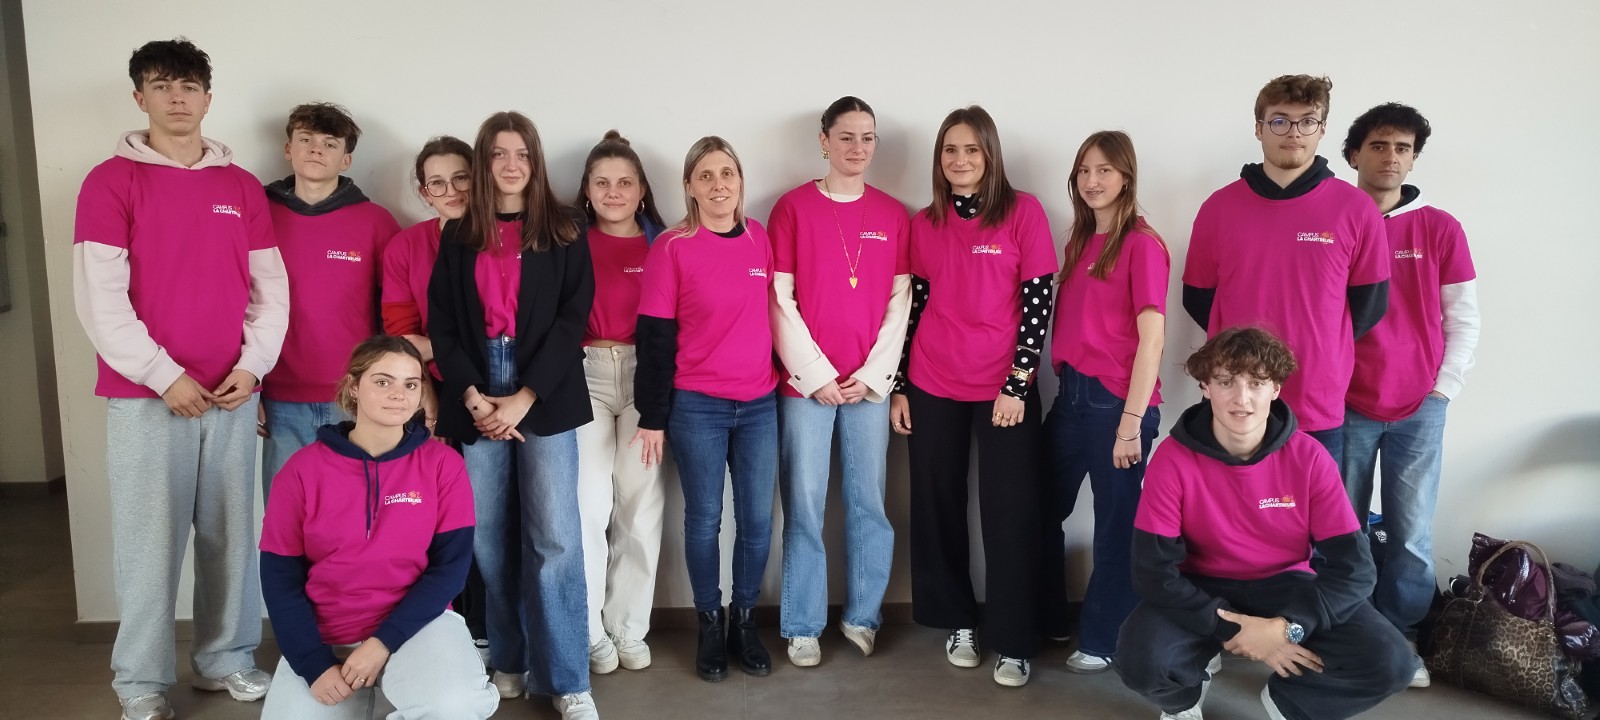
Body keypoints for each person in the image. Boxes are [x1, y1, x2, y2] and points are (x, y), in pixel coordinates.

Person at [73, 38, 288, 720]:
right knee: (149, 545)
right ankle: (140, 681)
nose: (177, 98)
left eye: (189, 86)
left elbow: (270, 291)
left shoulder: (240, 187)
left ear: (207, 98)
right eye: (162, 85)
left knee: (230, 537)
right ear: (140, 97)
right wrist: (164, 375)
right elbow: (101, 301)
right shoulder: (110, 182)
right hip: (146, 398)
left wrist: (252, 366)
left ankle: (227, 660)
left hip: (230, 394)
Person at [1115, 327, 1412, 720]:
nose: (1242, 399)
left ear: (1275, 389)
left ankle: (1290, 702)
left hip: (1287, 585)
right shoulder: (1171, 460)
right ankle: (1185, 696)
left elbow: (1355, 569)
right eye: (1226, 382)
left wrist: (1286, 628)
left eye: (1256, 383)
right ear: (1205, 387)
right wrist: (1231, 629)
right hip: (1200, 585)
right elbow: (1152, 572)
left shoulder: (1310, 458)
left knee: (1392, 663)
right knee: (1139, 659)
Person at [428, 111, 599, 720]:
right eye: (499, 153)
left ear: (535, 160)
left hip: (544, 392)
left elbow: (572, 320)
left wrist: (525, 397)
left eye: (521, 153)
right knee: (490, 540)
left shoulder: (565, 229)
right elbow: (443, 324)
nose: (510, 164)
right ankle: (509, 657)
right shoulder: (458, 234)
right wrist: (474, 398)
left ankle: (568, 678)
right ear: (484, 161)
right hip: (477, 390)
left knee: (556, 539)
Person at [890, 106, 1058, 687]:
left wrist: (1017, 383)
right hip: (933, 381)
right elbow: (914, 308)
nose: (960, 160)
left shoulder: (1023, 212)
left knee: (1011, 513)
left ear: (990, 154)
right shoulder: (925, 222)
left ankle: (1014, 640)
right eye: (950, 150)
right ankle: (958, 620)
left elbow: (1038, 302)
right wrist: (901, 386)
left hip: (1003, 390)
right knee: (936, 507)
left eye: (971, 150)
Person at [257, 336, 499, 719]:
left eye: (411, 384)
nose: (398, 394)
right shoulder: (301, 470)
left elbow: (450, 569)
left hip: (419, 626)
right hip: (327, 635)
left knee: (454, 706)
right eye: (383, 381)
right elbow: (279, 578)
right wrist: (312, 664)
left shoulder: (442, 464)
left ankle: (428, 688)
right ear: (354, 387)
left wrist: (382, 643)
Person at [768, 96, 911, 669]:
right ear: (824, 140)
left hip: (868, 388)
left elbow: (901, 303)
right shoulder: (792, 208)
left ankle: (863, 616)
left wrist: (872, 376)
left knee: (868, 503)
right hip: (806, 387)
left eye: (867, 137)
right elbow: (779, 299)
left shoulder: (894, 215)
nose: (858, 147)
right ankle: (803, 624)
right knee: (804, 505)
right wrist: (818, 375)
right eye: (846, 136)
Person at [1339, 103, 1479, 688]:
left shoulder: (1439, 228)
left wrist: (1443, 390)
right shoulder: (1334, 219)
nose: (1391, 157)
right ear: (1354, 155)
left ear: (1414, 158)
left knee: (1412, 535)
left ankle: (1401, 637)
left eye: (1402, 148)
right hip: (1343, 404)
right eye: (1378, 145)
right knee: (1339, 528)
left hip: (1420, 407)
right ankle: (1346, 628)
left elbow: (1463, 317)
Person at [1181, 75, 1389, 465]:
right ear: (1259, 128)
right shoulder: (1218, 208)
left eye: (1307, 121)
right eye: (1279, 120)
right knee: (1232, 504)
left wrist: (1323, 342)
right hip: (1237, 401)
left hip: (1317, 401)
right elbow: (1197, 296)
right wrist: (1241, 353)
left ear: (1322, 129)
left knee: (1316, 505)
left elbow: (1370, 303)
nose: (1293, 132)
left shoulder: (1357, 210)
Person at [634, 136, 779, 683]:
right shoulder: (672, 248)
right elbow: (654, 339)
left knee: (757, 520)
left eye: (728, 174)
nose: (719, 185)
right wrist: (652, 416)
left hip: (759, 403)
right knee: (704, 519)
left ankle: (744, 621)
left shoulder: (759, 238)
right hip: (697, 406)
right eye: (706, 176)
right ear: (690, 187)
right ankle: (710, 625)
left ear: (740, 180)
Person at [1039, 130, 1169, 673]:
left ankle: (1104, 638)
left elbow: (1153, 339)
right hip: (1070, 397)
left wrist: (1130, 423)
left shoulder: (1142, 244)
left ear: (1126, 177)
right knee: (1038, 507)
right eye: (1084, 171)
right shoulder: (1077, 241)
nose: (1092, 181)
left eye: (1104, 170)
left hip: (1116, 403)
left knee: (1116, 525)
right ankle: (1049, 616)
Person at [380, 135, 491, 659]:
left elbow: (498, 332)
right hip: (428, 394)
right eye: (437, 183)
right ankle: (444, 629)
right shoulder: (405, 248)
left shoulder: (501, 238)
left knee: (488, 515)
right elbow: (401, 337)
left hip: (495, 395)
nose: (451, 191)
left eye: (460, 178)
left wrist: (441, 344)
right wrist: (427, 395)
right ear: (424, 192)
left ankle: (487, 629)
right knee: (436, 516)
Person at [260, 102, 400, 497]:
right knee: (287, 517)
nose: (316, 150)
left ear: (346, 159)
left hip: (354, 397)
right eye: (306, 139)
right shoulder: (259, 214)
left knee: (356, 514)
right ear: (288, 149)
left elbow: (395, 315)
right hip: (280, 398)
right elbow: (235, 300)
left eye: (330, 143)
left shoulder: (376, 222)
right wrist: (252, 388)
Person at [571, 130, 669, 674]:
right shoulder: (567, 243)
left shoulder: (664, 244)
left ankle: (628, 628)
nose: (613, 192)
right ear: (587, 190)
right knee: (588, 506)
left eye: (624, 182)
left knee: (639, 504)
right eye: (602, 182)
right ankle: (590, 632)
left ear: (641, 190)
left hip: (645, 377)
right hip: (583, 375)